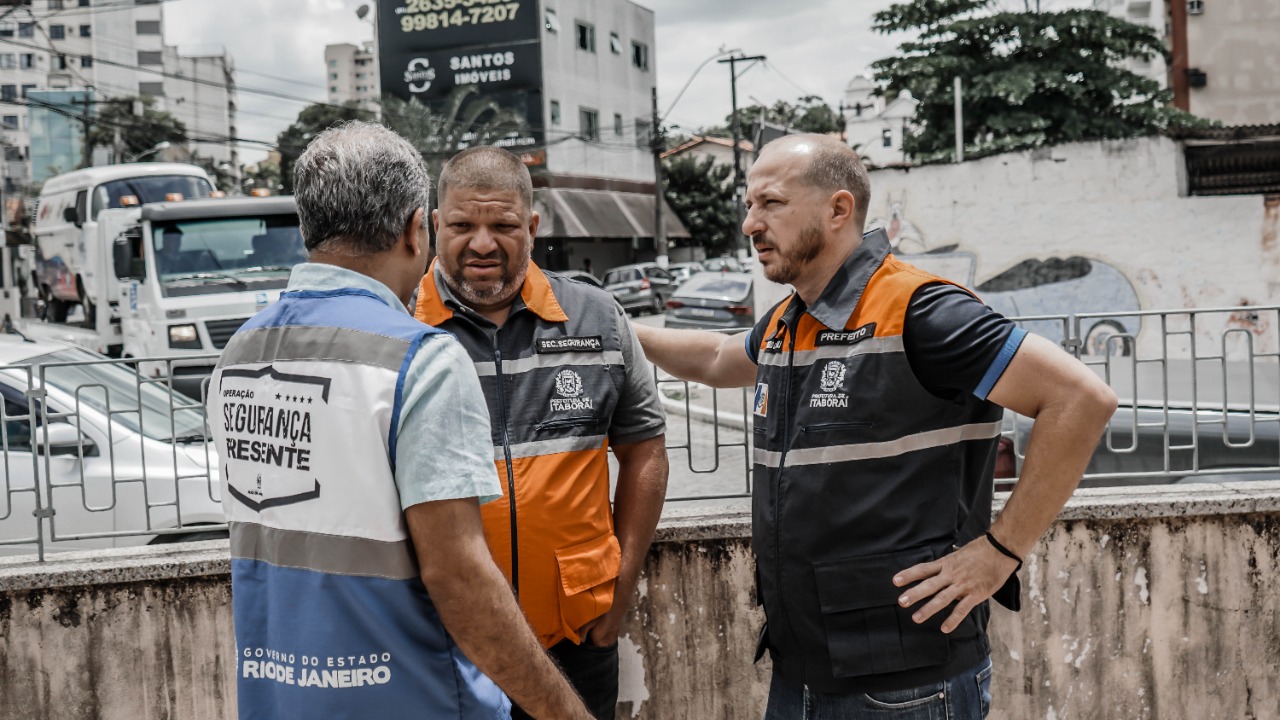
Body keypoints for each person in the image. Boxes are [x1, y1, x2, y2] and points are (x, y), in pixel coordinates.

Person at [631, 134, 1117, 718]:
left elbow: (1081, 398)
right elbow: (714, 358)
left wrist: (1000, 552)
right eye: (749, 205)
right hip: (802, 666)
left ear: (838, 210)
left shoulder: (923, 310)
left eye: (771, 204)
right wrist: (622, 331)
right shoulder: (791, 320)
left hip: (903, 684)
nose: (749, 224)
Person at [207, 122, 590, 720]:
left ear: (307, 227)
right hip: (414, 696)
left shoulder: (239, 355)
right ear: (419, 229)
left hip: (281, 698)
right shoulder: (421, 358)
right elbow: (459, 577)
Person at [414, 145, 669, 720]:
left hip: (575, 638)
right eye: (461, 225)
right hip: (443, 639)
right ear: (435, 225)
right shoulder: (399, 325)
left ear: (532, 226)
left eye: (503, 225)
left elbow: (645, 449)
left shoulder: (598, 317)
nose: (482, 243)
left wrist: (622, 587)